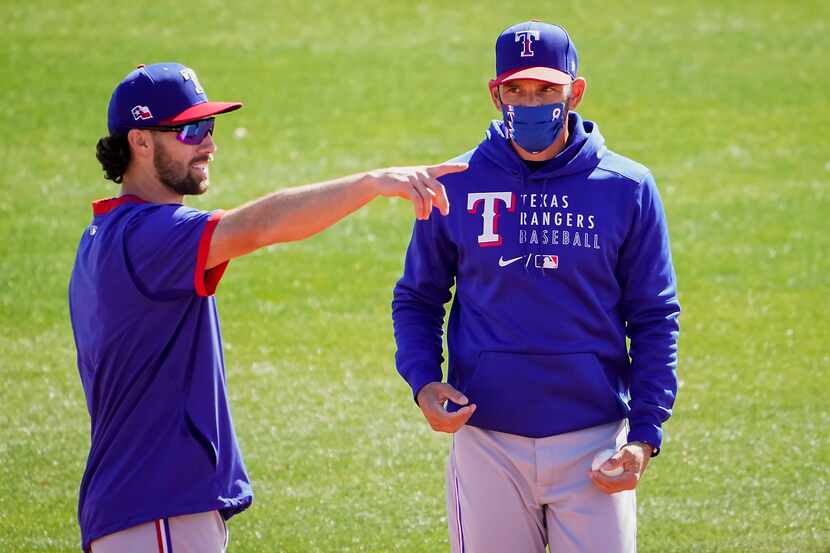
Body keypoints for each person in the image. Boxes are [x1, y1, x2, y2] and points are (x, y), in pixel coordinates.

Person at [69, 61, 465, 553]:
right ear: (141, 140)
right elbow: (257, 227)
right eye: (191, 130)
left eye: (210, 127)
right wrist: (372, 182)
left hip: (141, 507)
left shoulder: (104, 236)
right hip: (158, 508)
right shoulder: (147, 236)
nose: (209, 144)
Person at [392, 21, 680, 552]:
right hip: (487, 441)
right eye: (516, 90)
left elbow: (655, 317)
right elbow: (418, 296)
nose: (530, 103)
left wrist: (644, 435)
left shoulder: (628, 189)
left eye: (547, 90)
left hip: (594, 443)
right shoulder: (454, 181)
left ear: (576, 90)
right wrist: (422, 381)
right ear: (494, 92)